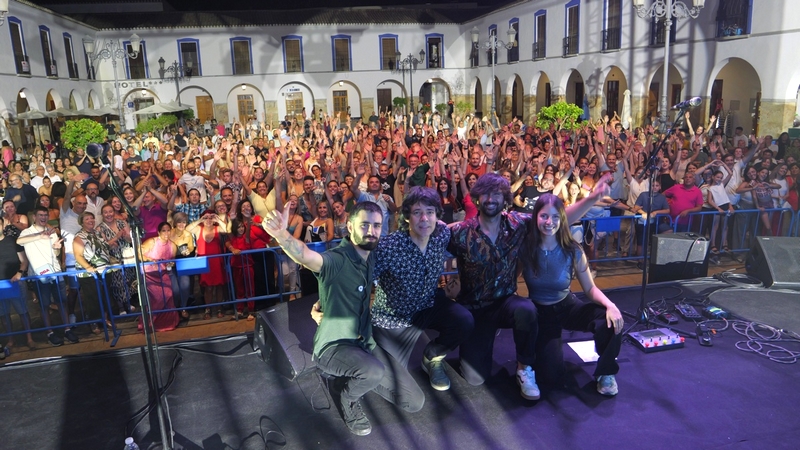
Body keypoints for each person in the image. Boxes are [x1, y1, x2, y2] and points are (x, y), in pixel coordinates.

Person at [448, 172, 609, 400]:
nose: (491, 199)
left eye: (497, 194)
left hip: (505, 303)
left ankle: (524, 367)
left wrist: (593, 198)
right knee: (475, 378)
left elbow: (558, 217)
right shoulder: (461, 231)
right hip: (475, 308)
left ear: (505, 199)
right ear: (477, 198)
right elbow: (433, 236)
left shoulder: (516, 224)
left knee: (526, 309)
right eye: (485, 194)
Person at [262, 201, 384, 436]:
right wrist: (281, 235)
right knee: (374, 372)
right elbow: (306, 256)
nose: (371, 231)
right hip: (333, 347)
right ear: (350, 226)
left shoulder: (370, 255)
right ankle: (346, 398)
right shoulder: (337, 259)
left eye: (376, 225)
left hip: (361, 341)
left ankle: (350, 374)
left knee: (410, 400)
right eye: (364, 225)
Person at [367, 187, 474, 410]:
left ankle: (432, 357)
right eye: (417, 212)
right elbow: (360, 280)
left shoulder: (441, 235)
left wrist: (460, 279)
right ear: (407, 216)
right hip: (392, 321)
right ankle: (366, 361)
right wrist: (329, 304)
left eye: (430, 212)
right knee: (407, 397)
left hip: (427, 306)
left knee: (463, 320)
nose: (424, 218)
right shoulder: (389, 247)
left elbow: (464, 233)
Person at [521, 194, 623, 395]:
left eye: (555, 217)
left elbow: (590, 289)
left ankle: (606, 372)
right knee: (550, 377)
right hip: (540, 313)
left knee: (610, 320)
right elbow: (510, 281)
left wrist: (610, 305)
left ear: (562, 219)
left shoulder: (573, 249)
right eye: (544, 216)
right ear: (536, 217)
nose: (549, 222)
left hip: (566, 305)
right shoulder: (526, 247)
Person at [138, 222, 181, 332]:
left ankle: (168, 322)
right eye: (163, 230)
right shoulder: (152, 242)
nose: (166, 233)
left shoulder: (172, 245)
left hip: (163, 273)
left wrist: (171, 264)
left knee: (168, 294)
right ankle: (151, 322)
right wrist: (149, 259)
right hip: (149, 274)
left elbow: (171, 261)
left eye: (168, 230)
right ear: (159, 232)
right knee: (158, 297)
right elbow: (139, 253)